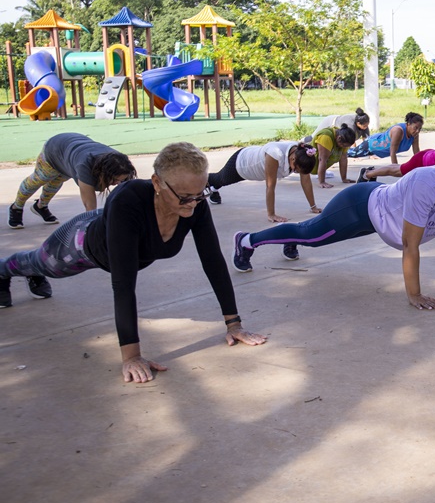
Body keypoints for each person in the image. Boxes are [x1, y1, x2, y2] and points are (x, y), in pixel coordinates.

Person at [0, 142, 267, 382]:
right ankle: (4, 271)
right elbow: (123, 284)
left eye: (199, 194)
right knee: (37, 263)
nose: (193, 204)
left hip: (111, 238)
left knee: (38, 267)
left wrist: (235, 324)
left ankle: (28, 274)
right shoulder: (129, 199)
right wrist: (131, 355)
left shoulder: (194, 204)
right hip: (79, 244)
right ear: (157, 183)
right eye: (184, 196)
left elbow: (213, 261)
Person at [232, 142, 435, 310]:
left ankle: (290, 238)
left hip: (376, 218)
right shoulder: (428, 184)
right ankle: (247, 240)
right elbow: (410, 244)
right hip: (357, 208)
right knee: (310, 235)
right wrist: (414, 294)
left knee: (309, 232)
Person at [8, 133, 136, 229]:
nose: (117, 184)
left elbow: (129, 195)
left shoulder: (121, 164)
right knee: (39, 179)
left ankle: (40, 206)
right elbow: (89, 205)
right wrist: (93, 229)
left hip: (71, 151)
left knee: (56, 182)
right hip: (55, 149)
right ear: (103, 173)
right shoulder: (85, 166)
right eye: (114, 180)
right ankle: (16, 207)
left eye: (121, 180)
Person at [206, 141, 318, 220]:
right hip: (242, 163)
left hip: (253, 169)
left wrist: (313, 207)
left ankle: (213, 189)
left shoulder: (300, 154)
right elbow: (270, 186)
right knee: (220, 179)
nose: (296, 172)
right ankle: (198, 179)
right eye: (296, 170)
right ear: (293, 158)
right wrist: (271, 214)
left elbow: (306, 182)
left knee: (220, 181)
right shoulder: (275, 154)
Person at [347, 112, 423, 163]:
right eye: (415, 128)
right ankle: (339, 148)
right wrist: (395, 168)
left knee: (352, 153)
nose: (417, 131)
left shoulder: (415, 135)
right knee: (352, 153)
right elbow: (392, 151)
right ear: (408, 124)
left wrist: (421, 166)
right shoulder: (398, 131)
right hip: (371, 144)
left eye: (419, 129)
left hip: (377, 151)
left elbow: (416, 153)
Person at [303, 107, 370, 147]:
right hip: (330, 122)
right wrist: (354, 153)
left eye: (367, 125)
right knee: (314, 137)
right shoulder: (350, 125)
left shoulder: (364, 124)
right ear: (358, 123)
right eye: (364, 126)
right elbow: (350, 142)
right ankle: (301, 142)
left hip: (339, 124)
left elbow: (367, 140)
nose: (366, 127)